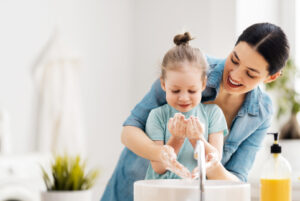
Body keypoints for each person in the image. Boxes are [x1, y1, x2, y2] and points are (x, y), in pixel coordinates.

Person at [100, 22, 289, 201]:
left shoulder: (260, 113)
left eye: (250, 73)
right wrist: (162, 154)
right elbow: (129, 131)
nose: (235, 75)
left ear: (271, 77)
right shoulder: (190, 67)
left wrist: (211, 162)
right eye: (235, 59)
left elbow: (236, 180)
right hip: (132, 186)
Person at [134, 32, 228, 180]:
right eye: (175, 90)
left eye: (192, 90)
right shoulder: (157, 116)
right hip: (162, 193)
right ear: (164, 84)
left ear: (203, 84)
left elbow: (215, 161)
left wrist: (197, 139)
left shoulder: (213, 114)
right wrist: (177, 138)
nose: (184, 97)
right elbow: (158, 168)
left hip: (198, 192)